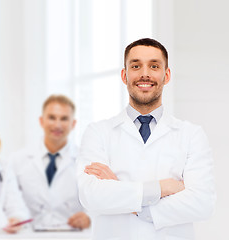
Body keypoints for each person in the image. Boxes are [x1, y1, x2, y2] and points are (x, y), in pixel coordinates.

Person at [77, 38, 216, 240]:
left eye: (154, 66)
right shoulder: (98, 132)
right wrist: (164, 188)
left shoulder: (191, 134)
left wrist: (130, 200)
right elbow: (91, 196)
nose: (145, 73)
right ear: (124, 75)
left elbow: (203, 203)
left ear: (166, 75)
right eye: (136, 66)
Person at [10, 95, 90, 230]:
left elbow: (99, 201)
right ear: (41, 121)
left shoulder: (86, 160)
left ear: (73, 124)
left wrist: (89, 218)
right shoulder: (17, 160)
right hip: (29, 235)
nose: (57, 125)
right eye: (52, 117)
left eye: (64, 118)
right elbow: (11, 200)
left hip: (71, 235)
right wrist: (15, 217)